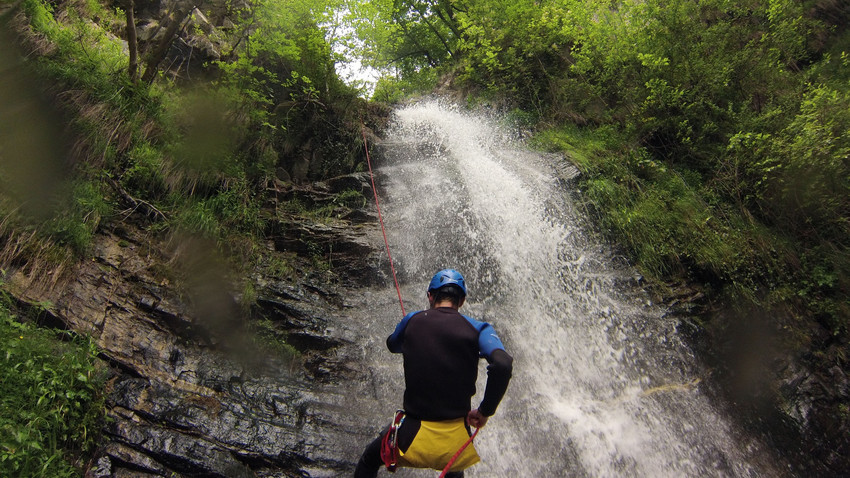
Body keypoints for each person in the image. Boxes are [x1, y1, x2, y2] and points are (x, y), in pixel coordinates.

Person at [354, 269, 513, 477]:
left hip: (409, 437)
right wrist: (485, 412)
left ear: (430, 295)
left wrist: (412, 335)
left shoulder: (412, 320)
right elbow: (503, 364)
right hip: (453, 441)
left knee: (369, 459)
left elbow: (392, 345)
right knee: (454, 468)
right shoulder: (478, 329)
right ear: (462, 300)